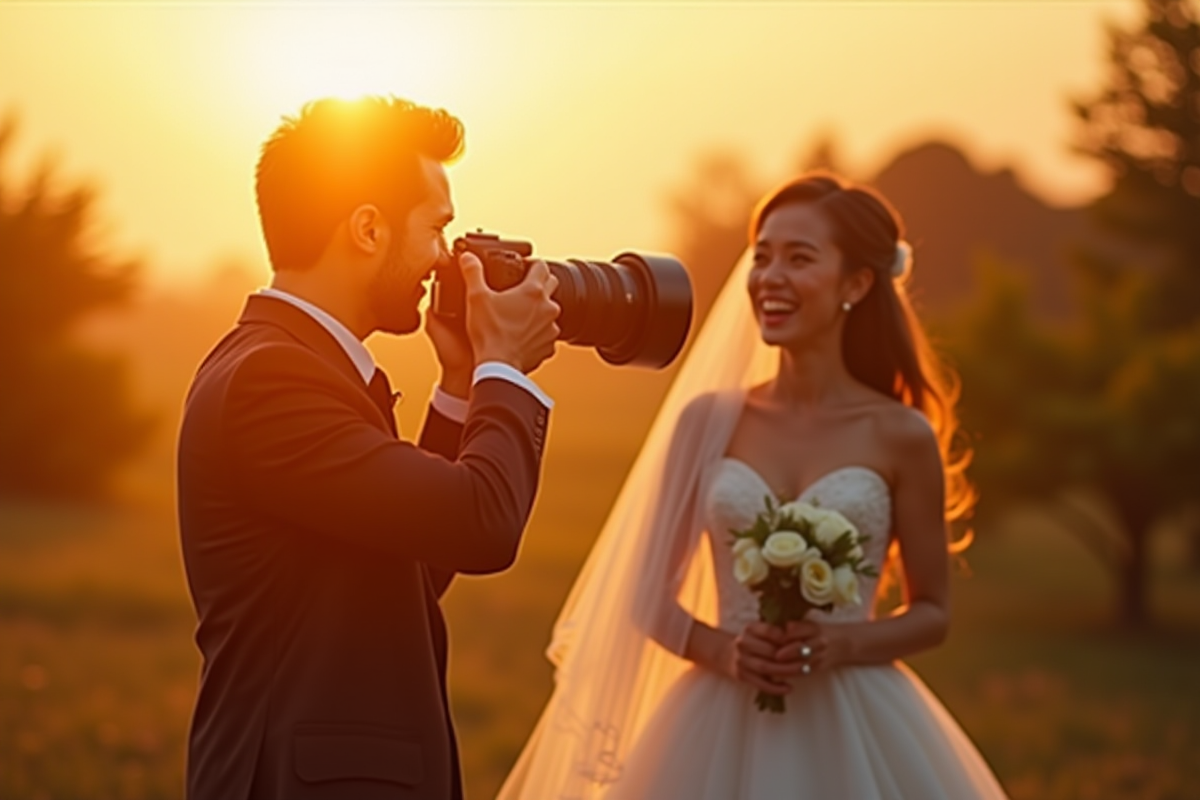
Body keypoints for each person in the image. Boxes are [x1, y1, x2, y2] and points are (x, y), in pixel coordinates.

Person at [498, 172, 1009, 799]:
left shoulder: (900, 433)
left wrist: (840, 641)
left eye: (799, 258)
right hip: (712, 718)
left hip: (853, 715)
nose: (770, 277)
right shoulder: (706, 422)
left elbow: (932, 614)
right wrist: (725, 650)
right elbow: (647, 597)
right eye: (762, 257)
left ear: (856, 283)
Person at [176, 96, 560, 800]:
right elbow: (483, 525)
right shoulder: (273, 377)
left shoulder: (294, 362)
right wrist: (504, 368)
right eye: (436, 230)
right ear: (367, 228)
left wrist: (458, 381)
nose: (444, 260)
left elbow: (411, 568)